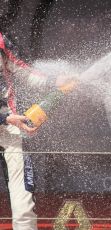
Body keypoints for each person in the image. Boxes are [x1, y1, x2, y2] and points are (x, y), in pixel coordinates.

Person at [0, 31, 47, 230]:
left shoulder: (1, 40)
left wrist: (54, 81)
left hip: (9, 128)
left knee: (22, 195)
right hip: (7, 119)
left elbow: (23, 70)